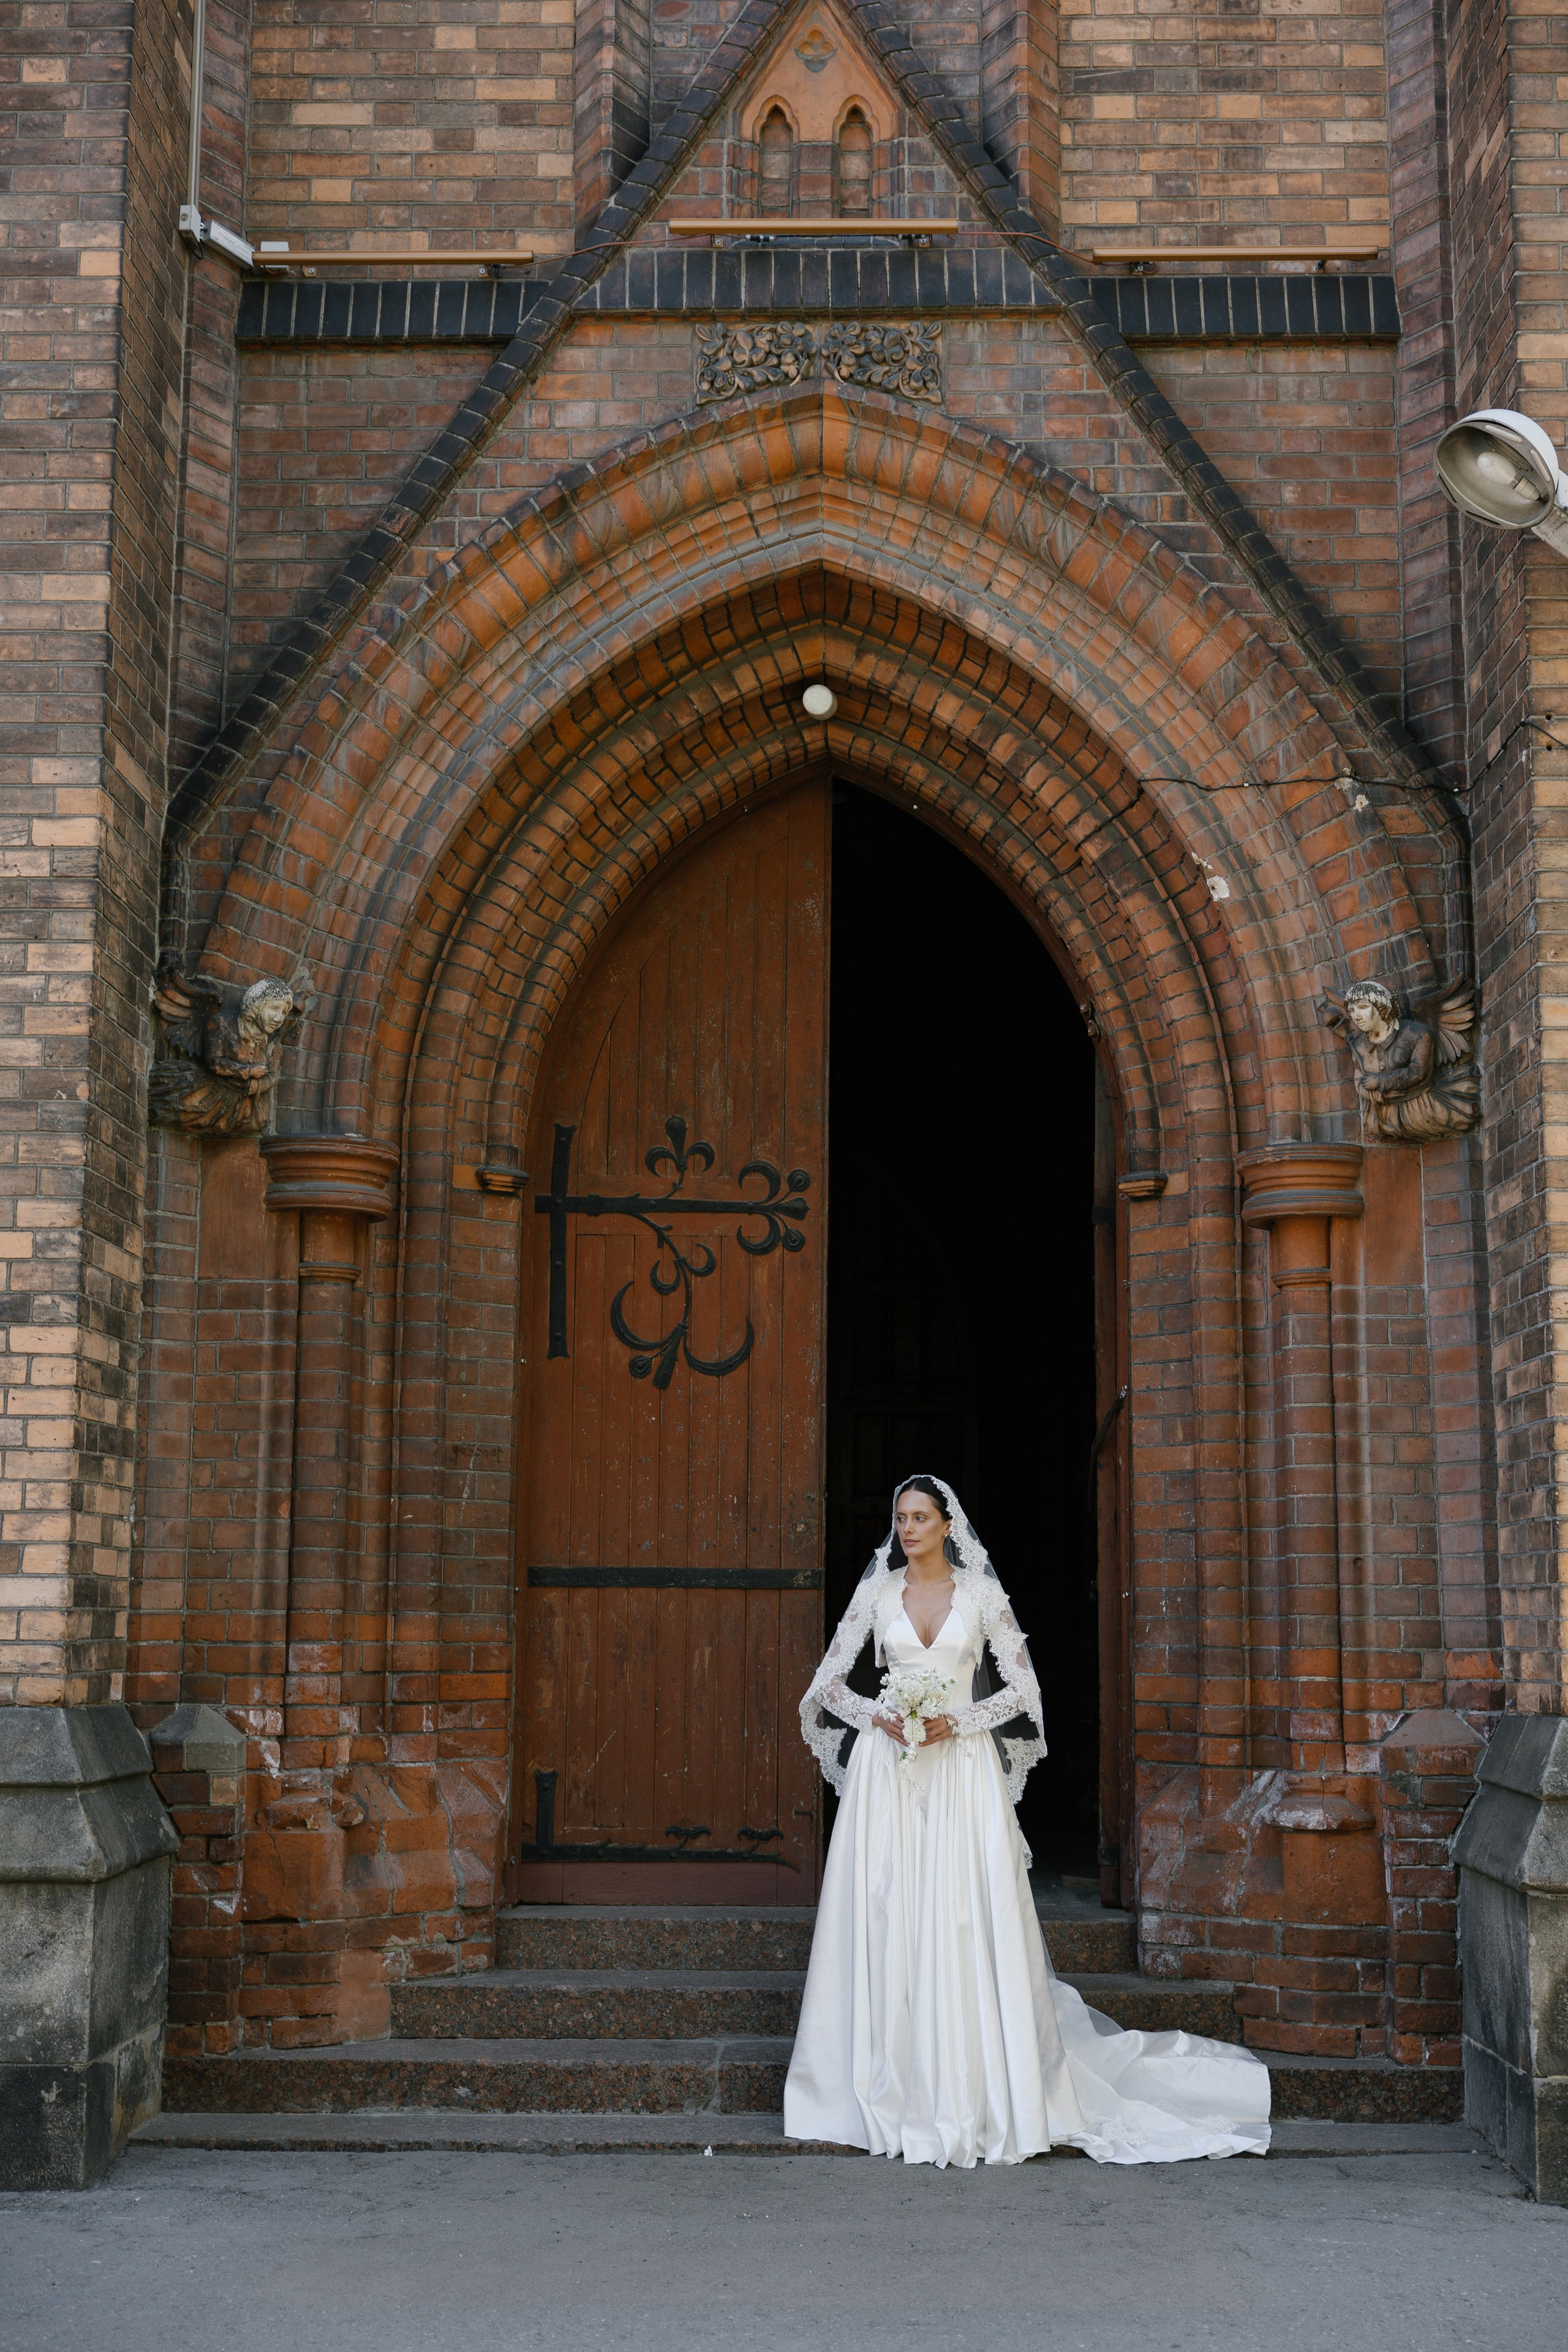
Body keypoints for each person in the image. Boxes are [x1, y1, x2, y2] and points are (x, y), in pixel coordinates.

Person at [783, 1473, 1272, 2169]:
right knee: (885, 1906)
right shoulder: (876, 1593)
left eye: (921, 1517)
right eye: (900, 1519)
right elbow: (827, 1684)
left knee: (957, 1912)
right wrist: (879, 1716)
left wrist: (958, 1719)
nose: (908, 1529)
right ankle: (877, 2080)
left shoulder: (981, 1596)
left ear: (948, 1525)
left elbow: (1023, 1690)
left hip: (959, 1769)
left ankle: (974, 2084)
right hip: (887, 1771)